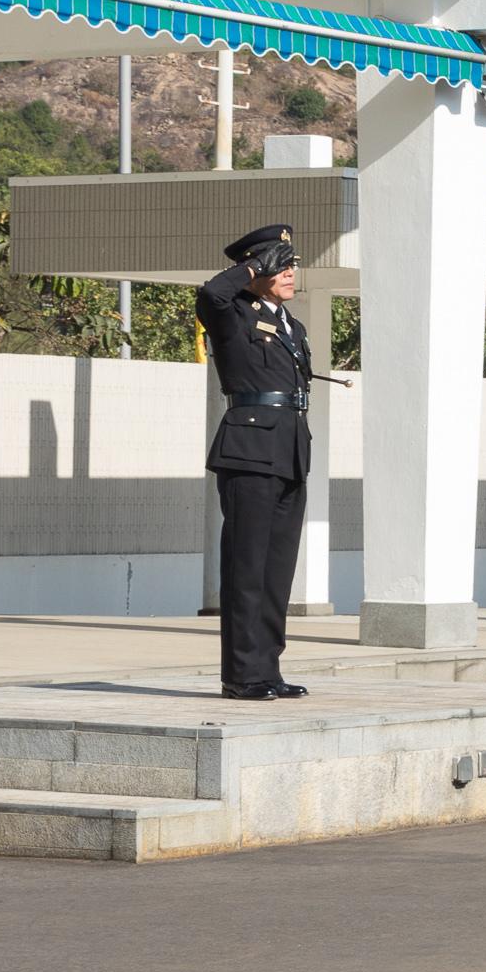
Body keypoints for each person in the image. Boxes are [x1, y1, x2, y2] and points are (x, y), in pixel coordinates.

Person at [198, 223, 316, 701]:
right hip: (249, 451)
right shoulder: (234, 314)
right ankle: (242, 675)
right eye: (280, 264)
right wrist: (250, 267)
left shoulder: (292, 326)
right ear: (257, 268)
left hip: (289, 450)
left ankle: (268, 669)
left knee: (276, 571)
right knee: (246, 567)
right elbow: (211, 293)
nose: (290, 272)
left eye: (290, 263)